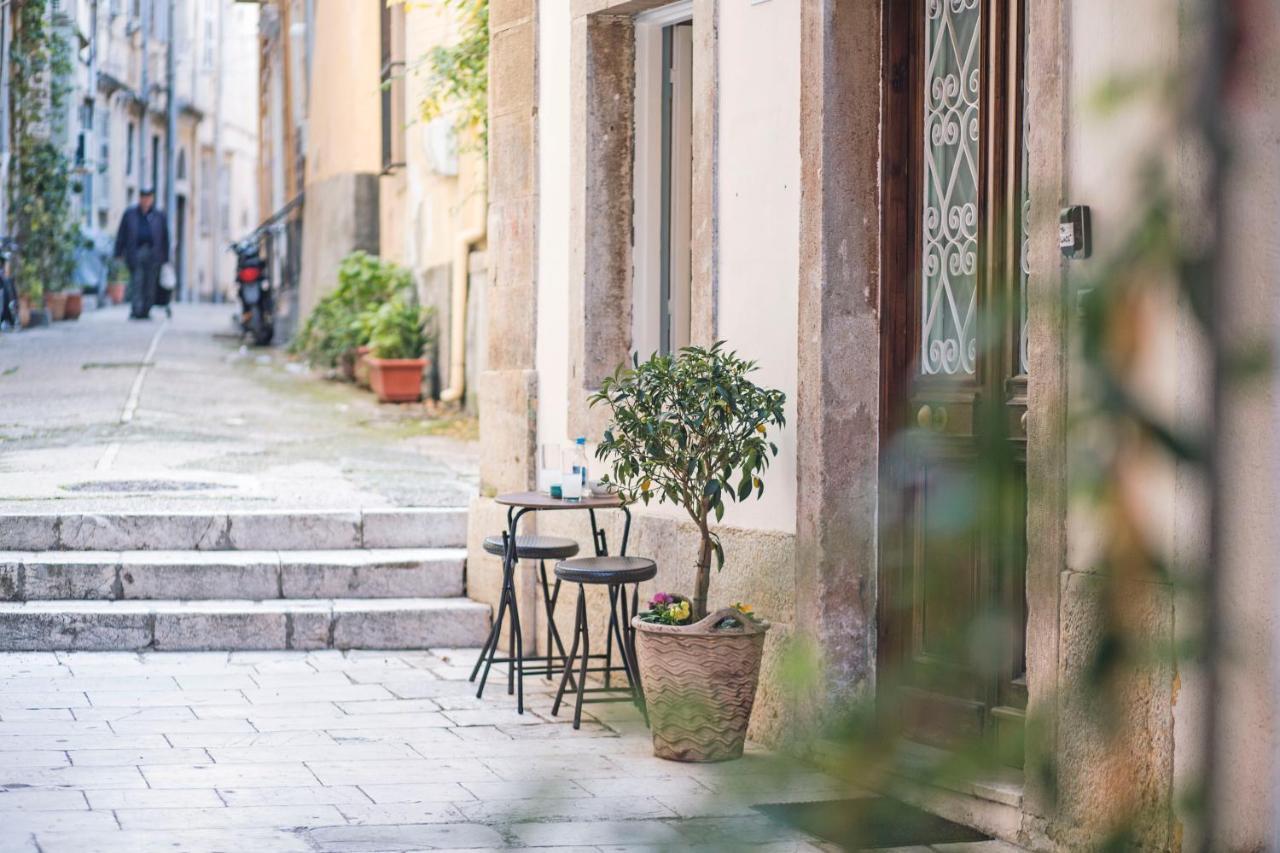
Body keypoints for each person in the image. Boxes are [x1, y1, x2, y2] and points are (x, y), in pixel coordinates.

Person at [113, 188, 169, 320]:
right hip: (136, 251)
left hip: (153, 253)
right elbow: (122, 234)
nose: (146, 201)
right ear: (140, 199)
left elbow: (165, 237)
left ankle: (146, 310)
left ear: (152, 199)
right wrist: (118, 252)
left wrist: (165, 258)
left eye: (149, 198)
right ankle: (136, 309)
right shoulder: (130, 214)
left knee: (150, 283)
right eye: (144, 197)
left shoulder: (159, 215)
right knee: (137, 281)